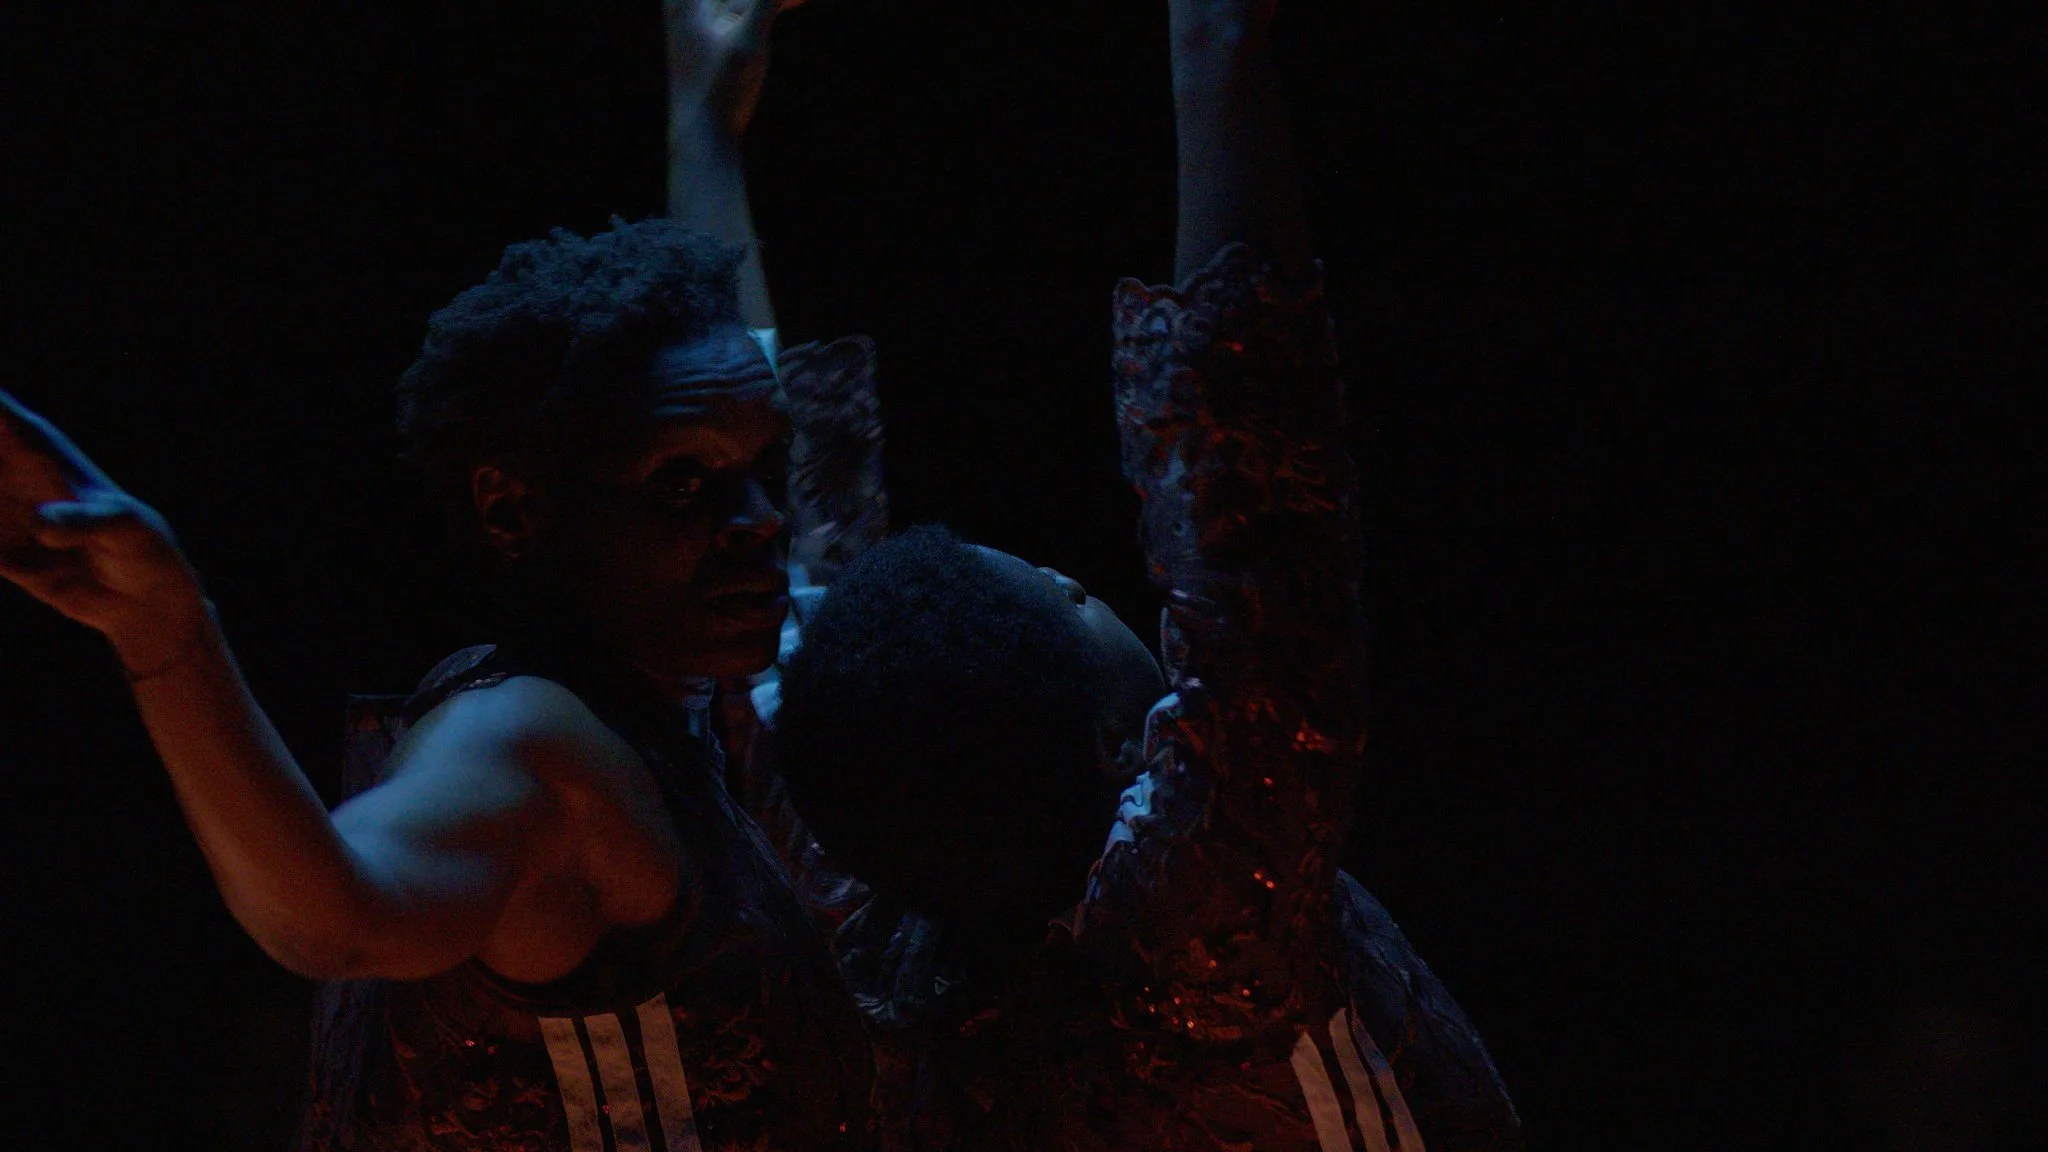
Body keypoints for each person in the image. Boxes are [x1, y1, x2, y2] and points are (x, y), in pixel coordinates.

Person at [0, 2, 875, 1149]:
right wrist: (169, 636)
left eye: (762, 471)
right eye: (683, 484)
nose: (757, 523)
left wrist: (702, 118)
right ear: (513, 507)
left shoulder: (680, 700)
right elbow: (337, 920)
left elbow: (732, 376)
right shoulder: (533, 744)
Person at [732, 0, 1528, 1147]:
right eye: (1061, 590)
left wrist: (701, 125)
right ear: (1115, 744)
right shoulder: (1202, 922)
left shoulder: (878, 911)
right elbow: (1255, 498)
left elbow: (772, 581)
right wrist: (1215, 34)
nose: (1073, 578)